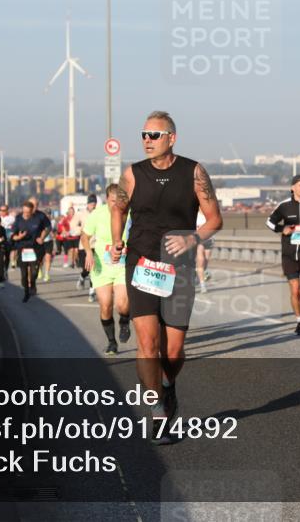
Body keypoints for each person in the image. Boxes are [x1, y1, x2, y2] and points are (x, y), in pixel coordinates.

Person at [110, 111, 222, 445]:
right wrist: (117, 239)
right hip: (141, 261)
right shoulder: (132, 173)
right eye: (143, 134)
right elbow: (119, 208)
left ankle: (168, 385)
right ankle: (157, 412)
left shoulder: (194, 172)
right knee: (147, 343)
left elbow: (214, 219)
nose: (147, 140)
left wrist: (192, 239)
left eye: (154, 135)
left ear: (172, 138)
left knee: (172, 352)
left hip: (180, 265)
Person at [265, 175, 300, 335]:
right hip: (289, 255)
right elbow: (269, 221)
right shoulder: (284, 206)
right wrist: (282, 229)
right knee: (294, 290)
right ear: (293, 188)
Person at [82, 185, 132, 355]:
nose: (115, 205)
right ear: (106, 199)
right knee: (105, 305)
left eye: (119, 201)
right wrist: (88, 252)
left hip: (123, 265)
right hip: (102, 267)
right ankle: (112, 342)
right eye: (112, 201)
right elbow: (85, 236)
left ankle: (124, 321)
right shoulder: (98, 214)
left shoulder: (130, 213)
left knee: (122, 304)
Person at [11, 202, 45, 301]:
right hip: (22, 249)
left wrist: (42, 237)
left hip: (34, 248)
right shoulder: (18, 219)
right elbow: (13, 236)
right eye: (24, 211)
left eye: (28, 212)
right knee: (24, 276)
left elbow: (44, 229)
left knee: (34, 272)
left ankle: (33, 284)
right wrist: (19, 237)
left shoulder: (37, 219)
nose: (25, 214)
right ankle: (26, 292)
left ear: (32, 211)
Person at [71, 197, 95, 293]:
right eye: (92, 203)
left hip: (96, 244)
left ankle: (91, 291)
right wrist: (80, 230)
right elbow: (73, 225)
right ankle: (82, 276)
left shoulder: (98, 213)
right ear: (88, 204)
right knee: (87, 268)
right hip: (84, 244)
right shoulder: (81, 214)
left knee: (94, 269)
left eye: (95, 203)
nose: (94, 205)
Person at [30, 197, 55, 283]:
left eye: (49, 213)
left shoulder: (52, 221)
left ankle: (47, 274)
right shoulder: (40, 218)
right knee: (39, 260)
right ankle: (39, 270)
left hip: (49, 241)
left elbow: (52, 230)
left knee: (48, 258)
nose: (48, 215)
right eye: (47, 213)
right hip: (39, 242)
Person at [194, 209, 214, 293]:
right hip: (198, 241)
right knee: (201, 261)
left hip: (209, 240)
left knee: (205, 261)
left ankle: (197, 273)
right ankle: (203, 286)